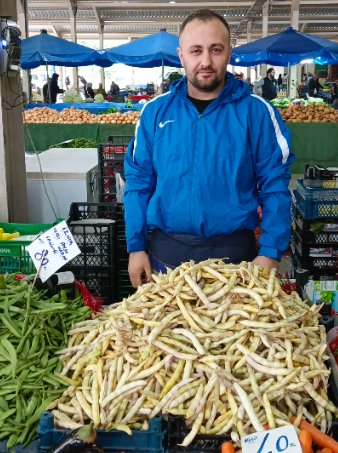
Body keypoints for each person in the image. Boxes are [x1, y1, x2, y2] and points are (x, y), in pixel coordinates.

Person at [124, 8, 294, 288]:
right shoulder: (154, 113)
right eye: (196, 50)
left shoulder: (258, 113)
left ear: (229, 52)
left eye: (215, 49)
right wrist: (135, 246)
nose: (205, 61)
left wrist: (271, 253)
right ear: (181, 55)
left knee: (236, 332)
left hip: (238, 264)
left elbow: (275, 186)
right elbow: (139, 182)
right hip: (165, 260)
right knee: (168, 331)